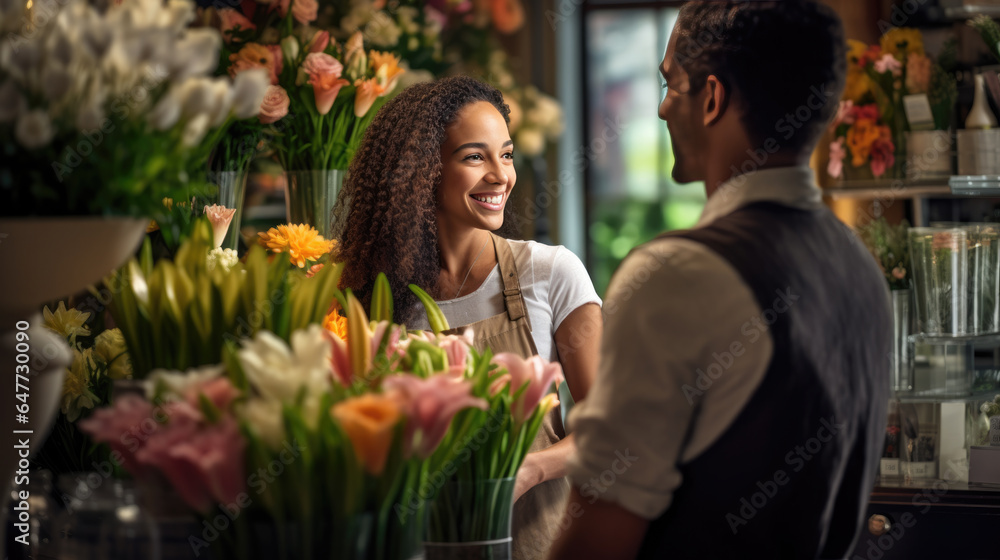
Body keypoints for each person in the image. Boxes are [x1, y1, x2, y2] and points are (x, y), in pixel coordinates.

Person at [550, 2, 890, 559]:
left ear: (711, 98)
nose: (661, 109)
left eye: (669, 84)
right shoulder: (859, 266)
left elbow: (596, 542)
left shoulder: (677, 274)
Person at [335, 75, 603, 559]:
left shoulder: (551, 272)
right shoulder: (376, 300)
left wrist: (528, 470)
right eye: (475, 157)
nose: (501, 175)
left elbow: (611, 430)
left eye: (507, 154)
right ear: (422, 172)